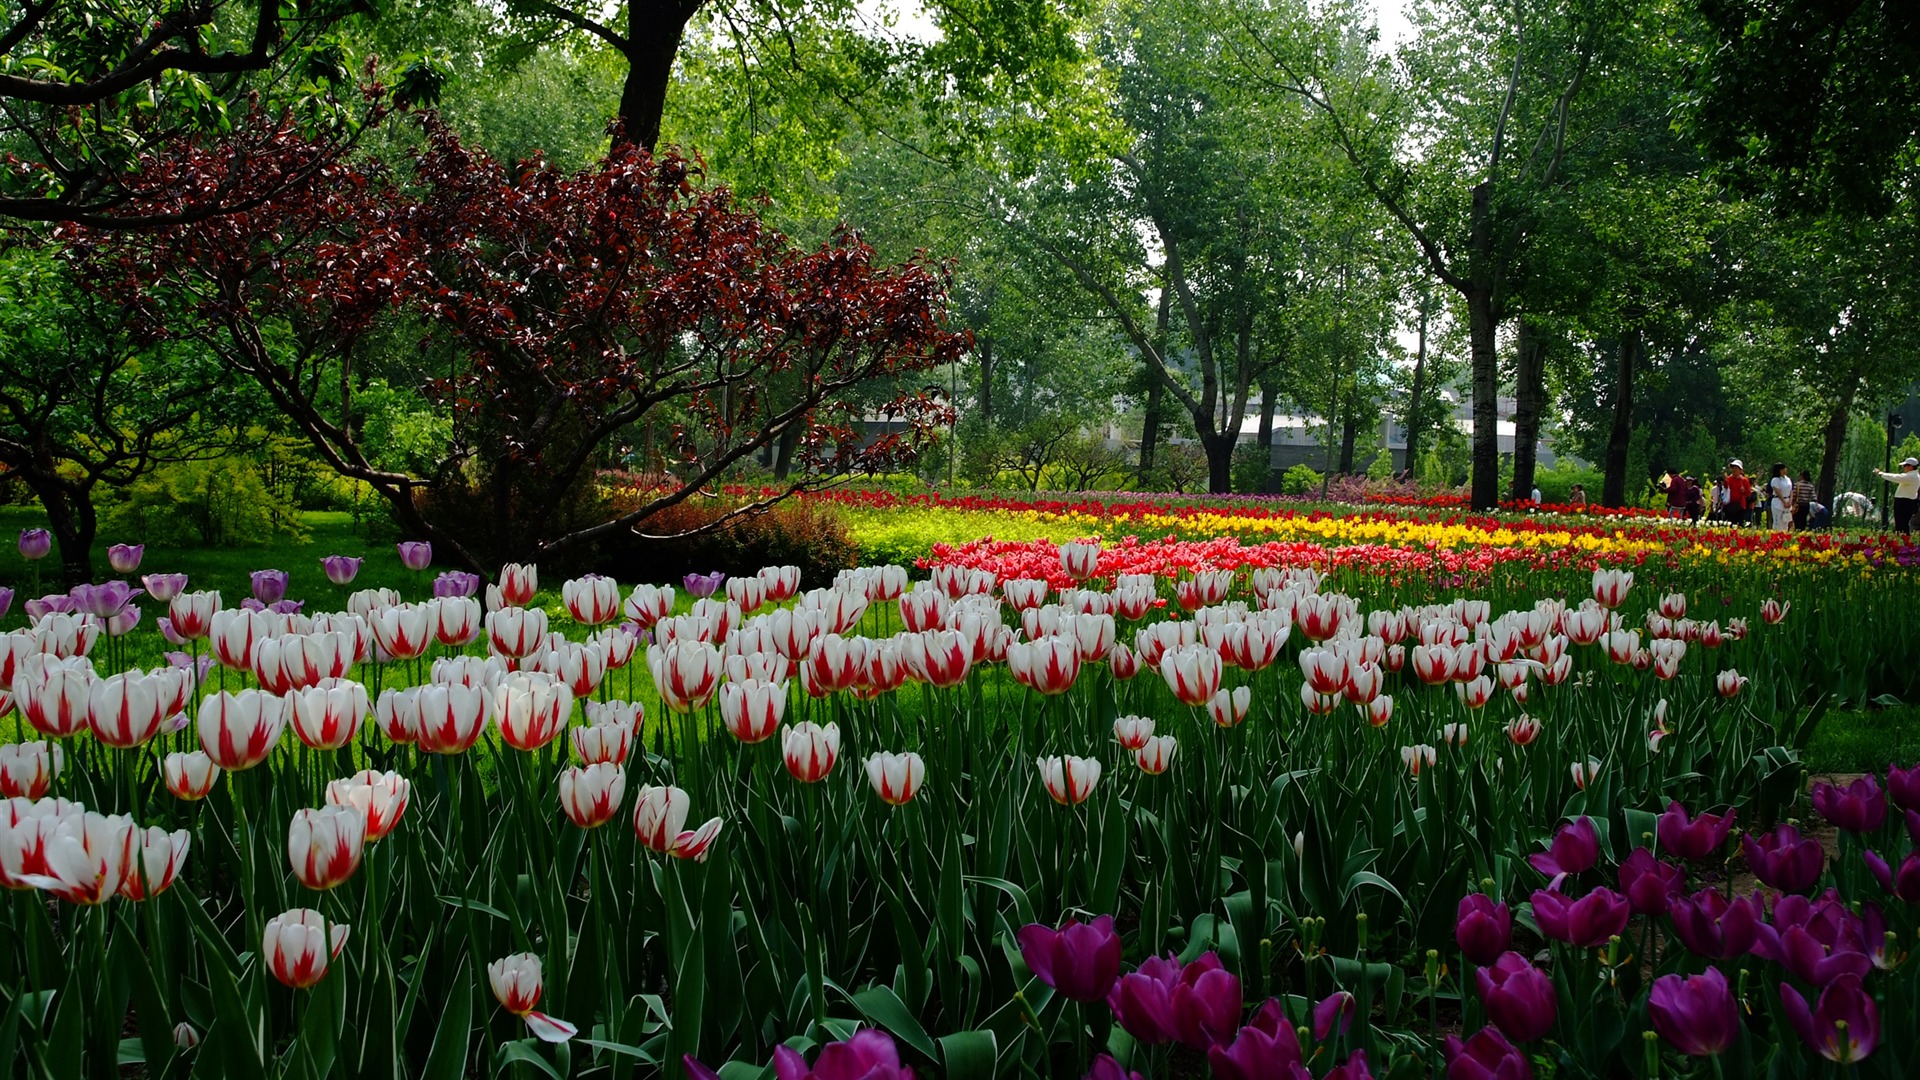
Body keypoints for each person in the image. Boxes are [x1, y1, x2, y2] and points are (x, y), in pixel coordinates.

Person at [1874, 456, 1920, 535]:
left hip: (1904, 502)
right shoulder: (1913, 475)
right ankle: (1903, 541)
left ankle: (1903, 541)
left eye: (1905, 465)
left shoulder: (1911, 476)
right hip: (1906, 502)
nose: (1904, 467)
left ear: (1911, 466)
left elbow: (1895, 477)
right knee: (1901, 524)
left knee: (1901, 524)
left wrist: (1880, 473)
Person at [1724, 461, 1754, 527]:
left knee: (1739, 525)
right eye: (1733, 468)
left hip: (1740, 506)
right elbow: (1725, 487)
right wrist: (1724, 478)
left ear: (1740, 470)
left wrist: (1743, 491)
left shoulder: (1744, 480)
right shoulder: (1728, 479)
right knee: (1729, 524)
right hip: (1729, 505)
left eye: (1736, 468)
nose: (1734, 470)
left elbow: (1748, 493)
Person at [1767, 462, 1794, 531]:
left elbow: (1791, 490)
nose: (1784, 470)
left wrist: (1790, 501)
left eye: (1784, 469)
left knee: (1785, 522)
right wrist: (1784, 502)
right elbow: (1778, 492)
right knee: (1778, 522)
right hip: (1778, 502)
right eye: (1782, 469)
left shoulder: (1788, 479)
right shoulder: (1775, 480)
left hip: (1787, 501)